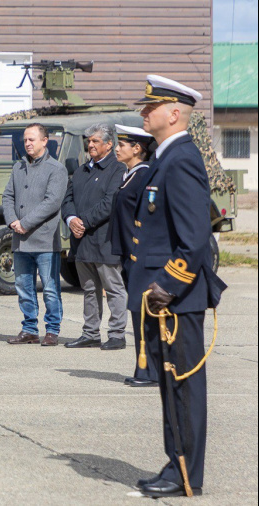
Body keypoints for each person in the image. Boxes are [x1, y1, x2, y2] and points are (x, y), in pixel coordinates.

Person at [130, 75, 226, 498]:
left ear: (174, 113)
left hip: (175, 300)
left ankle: (187, 473)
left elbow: (194, 238)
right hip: (162, 299)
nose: (143, 113)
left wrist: (168, 284)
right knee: (171, 386)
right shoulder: (166, 158)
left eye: (151, 108)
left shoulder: (182, 159)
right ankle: (176, 464)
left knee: (183, 386)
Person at [62, 124, 128, 350]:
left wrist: (85, 222)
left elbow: (110, 202)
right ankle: (90, 333)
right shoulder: (81, 170)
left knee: (113, 289)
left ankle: (117, 334)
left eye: (95, 141)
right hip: (82, 242)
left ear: (109, 144)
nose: (90, 145)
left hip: (105, 241)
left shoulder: (117, 169)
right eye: (88, 141)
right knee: (89, 290)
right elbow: (67, 198)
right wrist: (71, 219)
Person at [2, 123, 68, 346]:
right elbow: (8, 196)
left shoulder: (56, 168)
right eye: (26, 140)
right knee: (23, 287)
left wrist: (26, 223)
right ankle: (29, 329)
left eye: (32, 139)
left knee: (50, 289)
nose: (27, 143)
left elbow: (52, 202)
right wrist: (13, 221)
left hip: (44, 240)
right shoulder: (18, 167)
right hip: (20, 240)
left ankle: (52, 330)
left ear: (44, 141)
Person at [109, 124, 159, 387]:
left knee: (145, 314)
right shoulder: (129, 175)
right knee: (138, 313)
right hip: (129, 255)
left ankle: (151, 371)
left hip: (141, 255)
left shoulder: (144, 176)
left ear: (137, 149)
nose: (117, 148)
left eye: (122, 145)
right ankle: (144, 369)